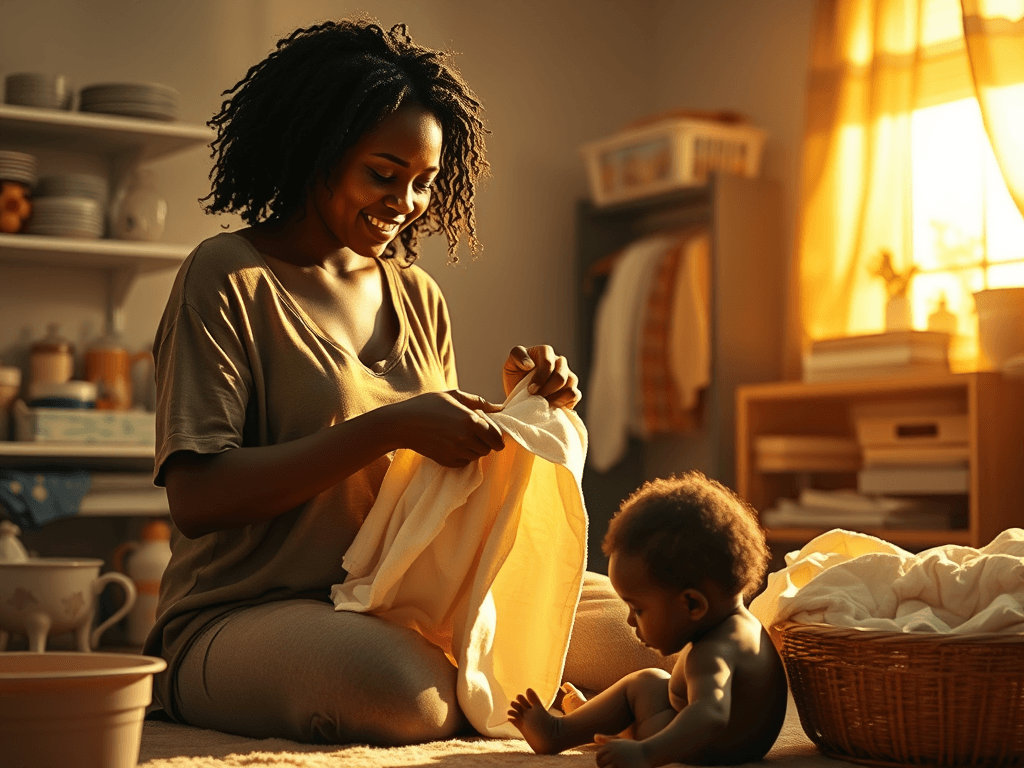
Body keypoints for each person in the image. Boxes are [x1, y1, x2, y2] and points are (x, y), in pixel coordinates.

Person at [145, 17, 668, 748]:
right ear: (313, 153)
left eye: (424, 182)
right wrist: (387, 427)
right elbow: (197, 498)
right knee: (410, 696)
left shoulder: (417, 295)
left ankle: (504, 684)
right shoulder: (227, 276)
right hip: (244, 611)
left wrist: (513, 410)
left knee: (659, 636)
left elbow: (427, 488)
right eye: (383, 175)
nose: (408, 201)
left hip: (404, 594)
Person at [508, 471, 788, 767]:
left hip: (705, 750)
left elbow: (710, 714)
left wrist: (647, 754)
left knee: (643, 684)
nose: (630, 620)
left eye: (637, 609)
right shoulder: (742, 627)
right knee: (655, 686)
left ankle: (560, 732)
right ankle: (593, 721)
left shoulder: (712, 652)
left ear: (693, 603)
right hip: (733, 745)